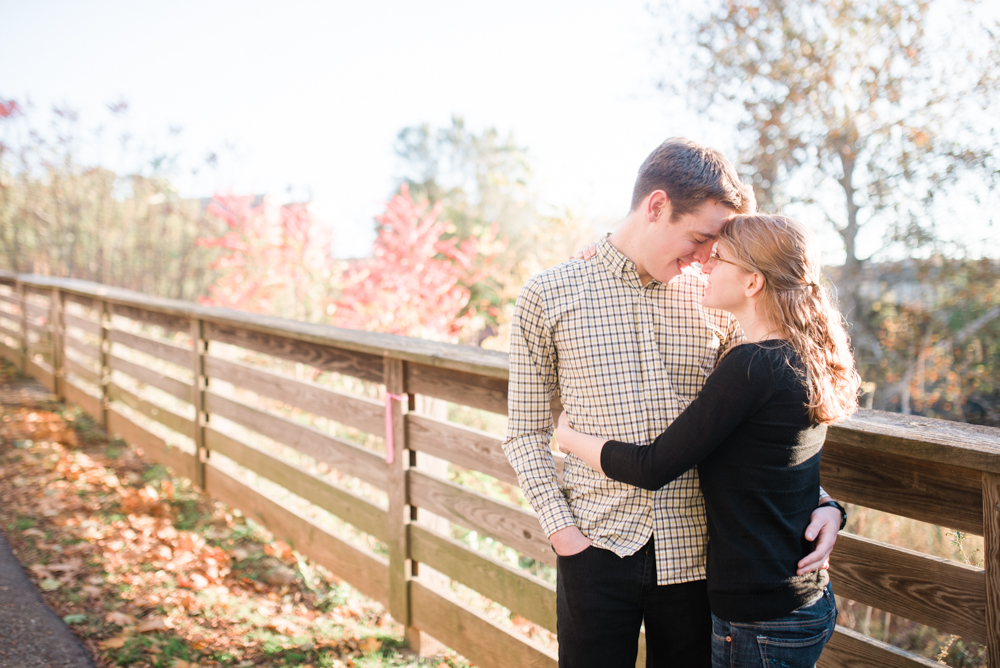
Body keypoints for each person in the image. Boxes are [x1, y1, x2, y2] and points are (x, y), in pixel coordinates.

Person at [502, 138, 845, 668]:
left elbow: (761, 424)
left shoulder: (719, 296)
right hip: (595, 547)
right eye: (702, 237)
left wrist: (821, 501)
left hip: (699, 558)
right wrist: (562, 532)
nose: (706, 256)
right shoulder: (550, 295)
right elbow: (524, 432)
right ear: (657, 207)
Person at [555, 213, 860, 667]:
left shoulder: (751, 366)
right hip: (799, 601)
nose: (704, 266)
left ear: (753, 282)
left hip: (761, 617)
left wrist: (567, 436)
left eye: (718, 258)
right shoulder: (800, 356)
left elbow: (653, 466)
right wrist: (832, 507)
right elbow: (774, 466)